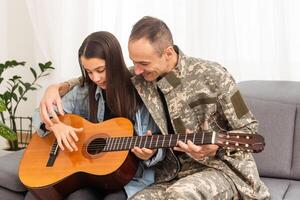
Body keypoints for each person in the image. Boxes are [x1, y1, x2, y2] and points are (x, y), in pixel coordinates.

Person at [39, 17, 270, 199]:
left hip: (220, 170)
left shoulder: (214, 76)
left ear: (168, 53)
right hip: (171, 175)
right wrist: (57, 88)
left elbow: (250, 130)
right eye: (134, 61)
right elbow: (99, 76)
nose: (136, 70)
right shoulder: (142, 77)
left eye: (143, 63)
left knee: (182, 195)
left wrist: (215, 148)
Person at [32, 31, 165, 200]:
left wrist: (151, 154)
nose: (95, 78)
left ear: (115, 63)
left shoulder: (142, 92)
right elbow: (40, 113)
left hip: (131, 177)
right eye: (88, 72)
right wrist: (55, 124)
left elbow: (159, 141)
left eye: (100, 70)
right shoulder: (86, 91)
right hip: (95, 174)